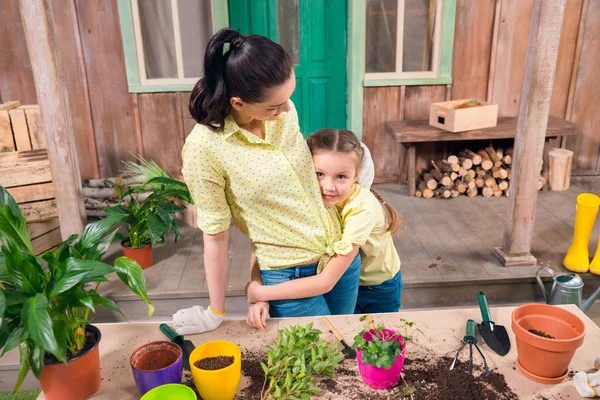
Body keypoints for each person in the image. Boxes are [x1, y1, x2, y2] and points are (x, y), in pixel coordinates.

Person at [172, 28, 365, 335]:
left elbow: (293, 198)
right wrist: (217, 309)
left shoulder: (284, 113)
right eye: (274, 106)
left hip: (340, 260)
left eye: (289, 97)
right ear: (238, 103)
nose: (287, 109)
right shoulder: (205, 148)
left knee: (342, 353)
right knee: (320, 358)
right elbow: (216, 235)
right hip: (288, 276)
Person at [246, 129, 404, 317]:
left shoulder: (363, 209)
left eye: (341, 177)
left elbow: (327, 281)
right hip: (341, 275)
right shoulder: (303, 195)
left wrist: (260, 293)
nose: (328, 186)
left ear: (356, 175)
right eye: (319, 174)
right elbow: (265, 243)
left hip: (376, 284)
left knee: (375, 337)